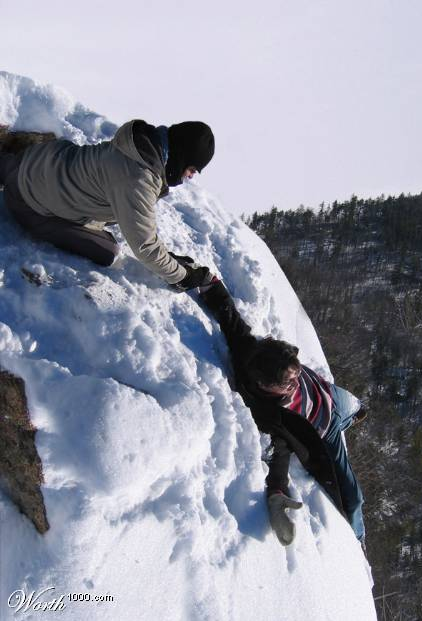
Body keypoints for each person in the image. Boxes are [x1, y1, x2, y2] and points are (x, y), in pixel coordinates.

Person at [198, 277, 366, 547]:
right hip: (326, 427)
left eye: (296, 368)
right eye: (288, 381)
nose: (295, 379)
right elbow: (280, 450)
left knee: (356, 405)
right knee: (353, 497)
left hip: (328, 393)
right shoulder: (273, 414)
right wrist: (277, 491)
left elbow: (232, 321)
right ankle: (359, 540)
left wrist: (210, 284)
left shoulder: (256, 353)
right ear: (265, 385)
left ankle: (355, 411)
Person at [0, 120, 215, 291]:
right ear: (182, 158)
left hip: (39, 158)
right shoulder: (139, 178)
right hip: (26, 200)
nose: (189, 177)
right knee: (107, 249)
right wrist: (183, 276)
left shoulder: (140, 143)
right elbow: (145, 247)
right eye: (192, 170)